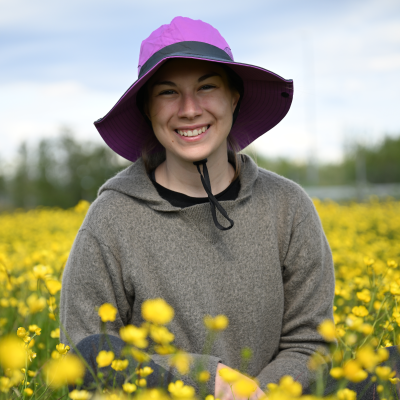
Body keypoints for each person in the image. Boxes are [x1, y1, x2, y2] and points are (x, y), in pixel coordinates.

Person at [60, 16, 336, 398]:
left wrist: (255, 394)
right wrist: (209, 380)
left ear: (233, 98)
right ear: (147, 109)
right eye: (168, 92)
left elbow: (311, 342)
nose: (190, 109)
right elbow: (86, 351)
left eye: (206, 87)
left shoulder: (288, 206)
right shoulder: (111, 219)